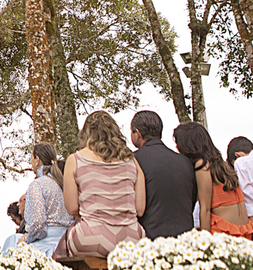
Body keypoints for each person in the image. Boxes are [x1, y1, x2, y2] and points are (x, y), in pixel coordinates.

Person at [54, 111, 145, 258]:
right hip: (131, 240)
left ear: (86, 133)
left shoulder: (75, 159)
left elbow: (72, 208)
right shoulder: (132, 161)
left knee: (64, 245)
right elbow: (139, 209)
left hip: (90, 239)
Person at [173, 122, 253, 239]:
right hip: (242, 231)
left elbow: (205, 209)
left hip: (224, 233)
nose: (177, 148)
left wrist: (204, 243)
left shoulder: (203, 165)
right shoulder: (220, 163)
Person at [130, 110, 197, 239]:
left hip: (150, 239)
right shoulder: (185, 161)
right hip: (185, 238)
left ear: (137, 134)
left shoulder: (133, 161)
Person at [14, 143, 73, 256]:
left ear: (37, 160)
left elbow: (38, 224)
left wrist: (26, 239)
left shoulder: (38, 184)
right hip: (66, 243)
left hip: (46, 246)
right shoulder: (62, 183)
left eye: (31, 159)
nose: (31, 164)